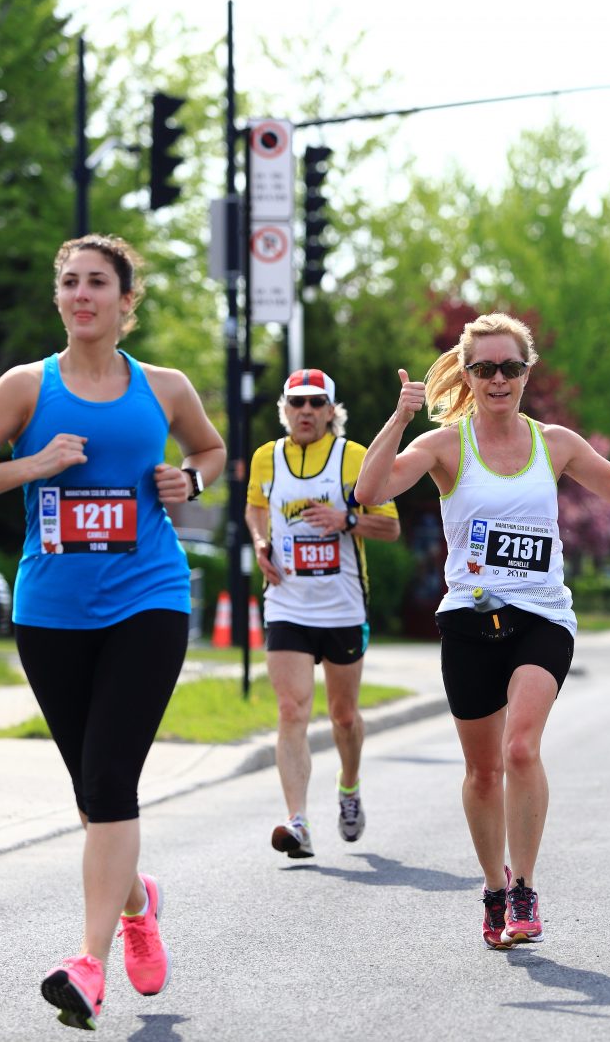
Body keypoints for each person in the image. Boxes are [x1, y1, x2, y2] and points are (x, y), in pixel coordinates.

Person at [0, 234, 225, 1030]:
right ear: (58, 298)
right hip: (52, 611)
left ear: (127, 300)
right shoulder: (26, 388)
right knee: (95, 796)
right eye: (69, 282)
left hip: (148, 599)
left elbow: (210, 447)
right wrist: (30, 466)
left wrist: (190, 478)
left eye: (98, 282)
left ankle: (88, 964)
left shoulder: (163, 387)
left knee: (108, 781)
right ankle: (138, 903)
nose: (81, 294)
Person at [353, 312, 610, 950]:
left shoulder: (556, 443)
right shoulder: (445, 445)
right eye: (485, 368)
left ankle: (524, 886)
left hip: (542, 615)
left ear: (527, 372)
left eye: (510, 368)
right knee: (483, 771)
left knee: (521, 749)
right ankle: (493, 887)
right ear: (467, 374)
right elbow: (369, 490)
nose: (498, 379)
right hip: (468, 619)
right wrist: (401, 418)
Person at [246, 368, 401, 860]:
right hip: (287, 602)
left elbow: (390, 528)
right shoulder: (266, 458)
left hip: (342, 606)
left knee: (342, 715)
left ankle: (349, 786)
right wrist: (260, 542)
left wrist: (348, 519)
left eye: (316, 403)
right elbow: (255, 508)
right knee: (291, 710)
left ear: (333, 410)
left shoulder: (353, 457)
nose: (306, 412)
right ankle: (298, 822)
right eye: (297, 403)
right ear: (285, 410)